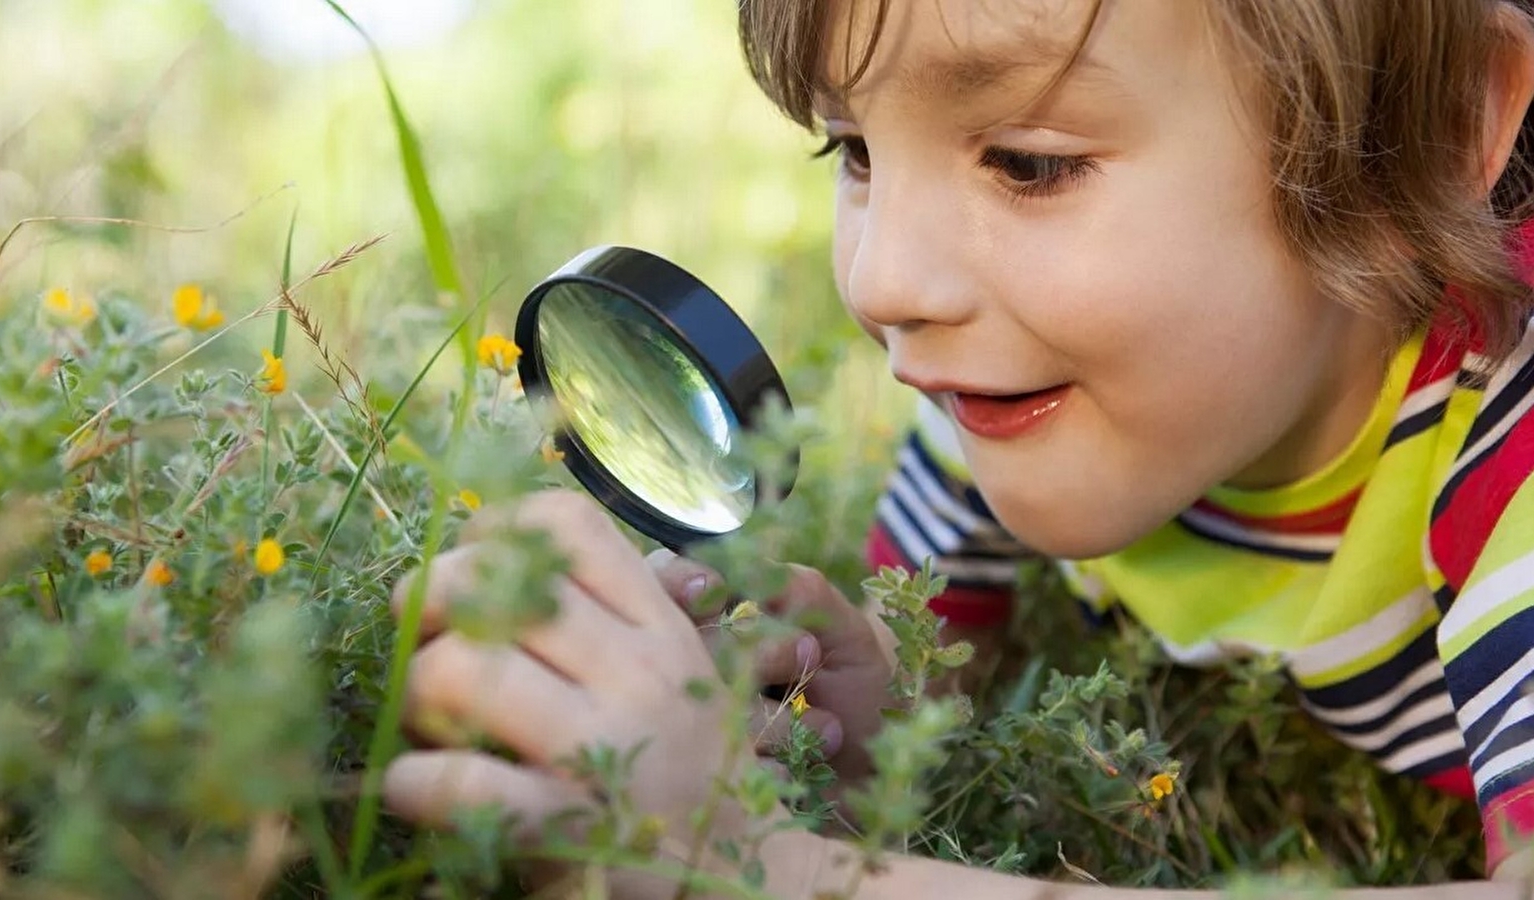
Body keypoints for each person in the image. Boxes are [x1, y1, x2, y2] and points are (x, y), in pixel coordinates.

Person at [381, 0, 1534, 896]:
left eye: (1027, 161)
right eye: (855, 152)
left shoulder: (1506, 441)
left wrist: (764, 873)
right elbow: (936, 682)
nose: (885, 283)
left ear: (1429, 135)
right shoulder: (996, 399)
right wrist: (866, 725)